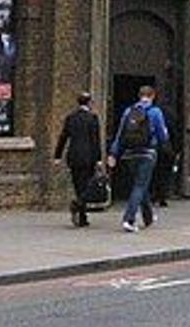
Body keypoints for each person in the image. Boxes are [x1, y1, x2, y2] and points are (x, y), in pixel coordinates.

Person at [106, 84, 168, 233]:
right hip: (147, 153)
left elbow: (120, 135)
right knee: (139, 186)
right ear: (152, 96)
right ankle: (129, 219)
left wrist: (113, 153)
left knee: (140, 184)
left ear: (139, 96)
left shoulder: (128, 111)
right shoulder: (155, 112)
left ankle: (148, 217)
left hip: (129, 154)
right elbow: (162, 136)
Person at [52, 91, 102, 227]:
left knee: (78, 185)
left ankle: (82, 217)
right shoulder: (93, 118)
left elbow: (63, 137)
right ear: (89, 102)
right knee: (87, 186)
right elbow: (95, 140)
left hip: (73, 156)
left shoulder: (70, 118)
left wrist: (57, 156)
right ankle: (78, 205)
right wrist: (98, 159)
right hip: (89, 157)